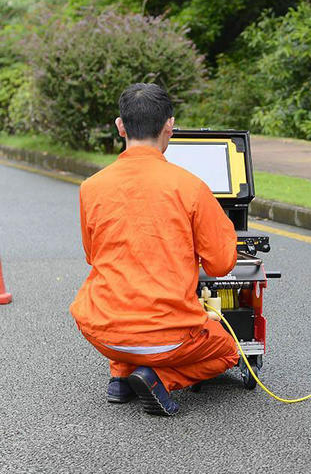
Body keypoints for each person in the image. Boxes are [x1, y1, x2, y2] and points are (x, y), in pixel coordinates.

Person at [70, 83, 239, 416]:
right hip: (169, 338)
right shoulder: (191, 187)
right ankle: (157, 376)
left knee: (124, 298)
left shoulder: (91, 187)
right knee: (229, 351)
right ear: (169, 127)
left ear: (120, 126)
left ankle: (120, 375)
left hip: (102, 331)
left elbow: (94, 256)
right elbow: (220, 264)